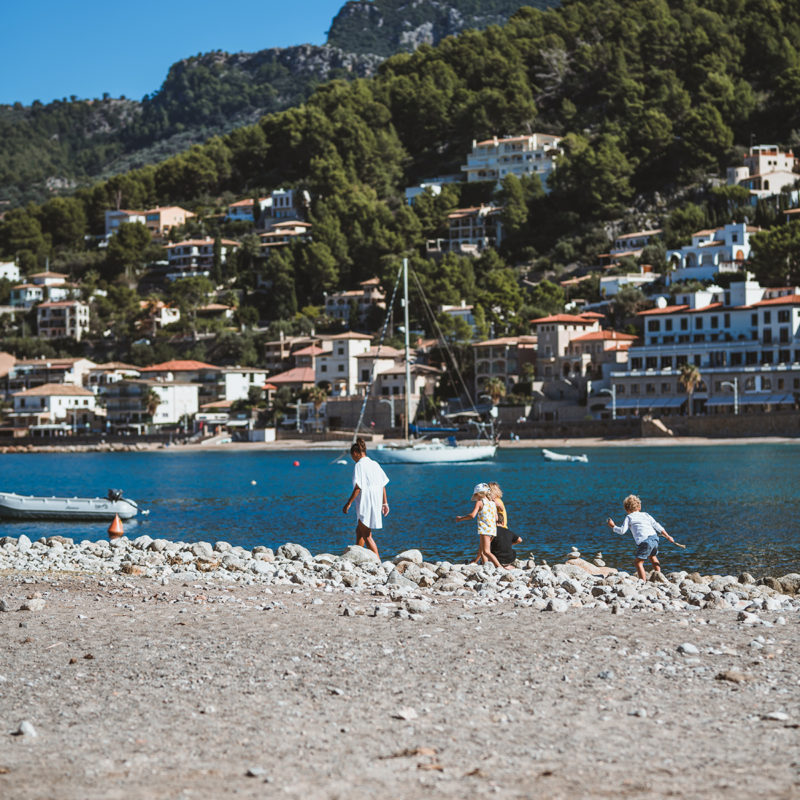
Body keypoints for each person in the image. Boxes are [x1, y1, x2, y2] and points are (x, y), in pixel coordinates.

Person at [607, 494, 675, 581]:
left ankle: (643, 582)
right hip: (654, 538)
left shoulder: (629, 517)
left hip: (645, 542)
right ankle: (659, 575)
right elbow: (657, 525)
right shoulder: (646, 515)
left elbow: (622, 531)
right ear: (639, 507)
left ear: (626, 509)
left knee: (638, 562)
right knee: (652, 556)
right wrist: (668, 536)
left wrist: (613, 526)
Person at [342, 437, 389, 560]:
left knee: (367, 534)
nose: (353, 459)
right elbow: (383, 484)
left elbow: (358, 487)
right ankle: (357, 556)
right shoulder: (375, 464)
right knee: (360, 530)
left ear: (356, 453)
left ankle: (378, 561)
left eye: (353, 456)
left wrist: (348, 503)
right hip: (376, 500)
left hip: (366, 502)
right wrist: (385, 503)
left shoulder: (359, 466)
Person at [457, 482, 503, 568]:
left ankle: (499, 567)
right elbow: (496, 518)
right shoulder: (492, 503)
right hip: (492, 530)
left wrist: (461, 518)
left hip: (484, 530)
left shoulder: (480, 502)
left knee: (486, 551)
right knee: (482, 551)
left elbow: (472, 515)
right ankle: (486, 567)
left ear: (479, 494)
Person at [488, 482, 522, 566]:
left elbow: (500, 507)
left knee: (487, 544)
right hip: (503, 526)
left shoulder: (495, 501)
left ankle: (486, 562)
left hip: (499, 527)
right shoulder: (499, 500)